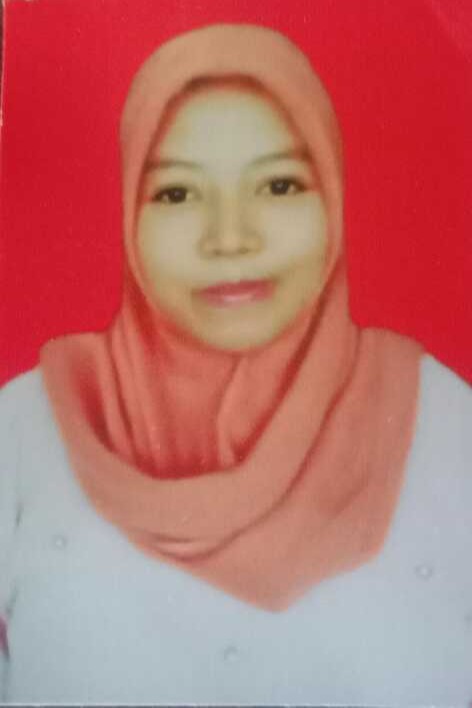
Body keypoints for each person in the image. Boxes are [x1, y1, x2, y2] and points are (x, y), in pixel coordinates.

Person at [0, 23, 471, 706]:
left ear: (332, 197)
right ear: (127, 213)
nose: (230, 238)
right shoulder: (26, 431)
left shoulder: (443, 423)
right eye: (177, 194)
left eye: (278, 185)